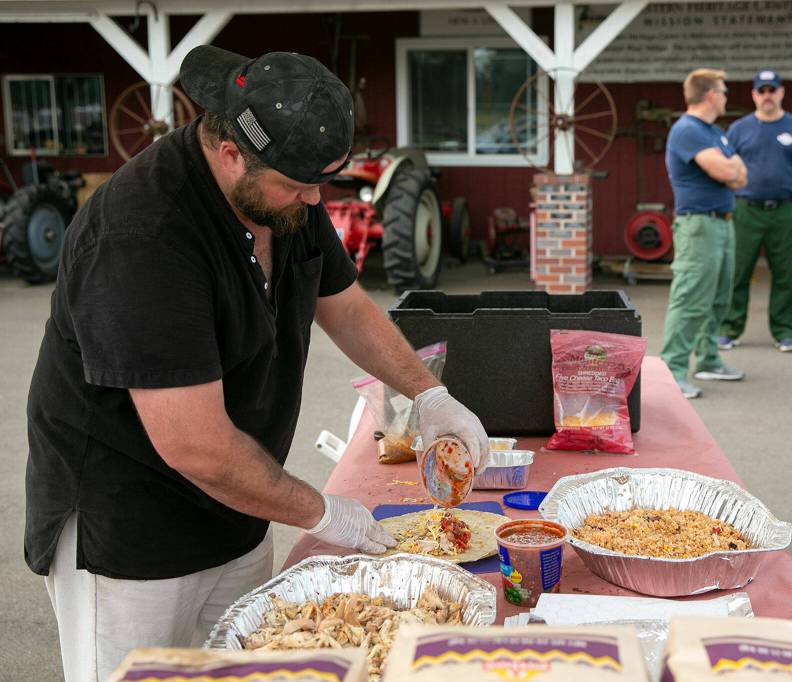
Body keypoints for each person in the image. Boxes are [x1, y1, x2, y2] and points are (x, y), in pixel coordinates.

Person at [23, 45, 489, 682]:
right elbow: (197, 446)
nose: (313, 198)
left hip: (238, 507)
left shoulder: (284, 194)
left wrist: (429, 396)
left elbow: (345, 306)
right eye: (299, 185)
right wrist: (323, 512)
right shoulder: (143, 237)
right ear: (231, 152)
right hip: (131, 527)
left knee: (241, 667)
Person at [661, 68, 747, 400]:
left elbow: (742, 178)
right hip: (699, 225)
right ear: (710, 94)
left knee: (719, 297)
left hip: (722, 222)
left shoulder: (714, 133)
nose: (726, 97)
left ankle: (708, 359)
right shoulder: (688, 130)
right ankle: (673, 369)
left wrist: (732, 170)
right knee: (691, 298)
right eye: (723, 91)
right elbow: (729, 170)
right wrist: (731, 168)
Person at [719, 70, 792, 353]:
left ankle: (785, 332)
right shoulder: (739, 129)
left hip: (784, 210)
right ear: (754, 95)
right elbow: (726, 169)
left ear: (781, 93)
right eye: (761, 91)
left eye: (772, 90)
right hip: (745, 209)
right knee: (737, 272)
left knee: (784, 273)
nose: (767, 96)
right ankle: (729, 329)